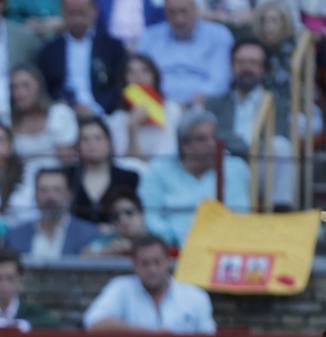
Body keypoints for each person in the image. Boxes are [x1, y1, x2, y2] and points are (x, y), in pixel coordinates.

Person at [138, 108, 250, 247]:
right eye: (202, 139)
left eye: (214, 137)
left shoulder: (235, 168)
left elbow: (240, 216)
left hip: (222, 249)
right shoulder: (158, 170)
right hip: (171, 251)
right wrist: (173, 242)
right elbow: (150, 216)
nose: (212, 144)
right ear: (185, 145)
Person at [205, 39, 294, 211]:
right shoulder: (215, 103)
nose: (246, 68)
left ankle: (281, 211)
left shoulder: (277, 104)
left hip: (260, 168)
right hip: (226, 166)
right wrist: (245, 146)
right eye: (240, 62)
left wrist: (244, 147)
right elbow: (212, 134)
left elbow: (280, 134)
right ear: (232, 66)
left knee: (281, 146)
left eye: (253, 63)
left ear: (264, 69)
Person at [83, 232, 215, 333]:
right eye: (145, 263)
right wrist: (150, 335)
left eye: (157, 262)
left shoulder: (195, 296)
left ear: (168, 261)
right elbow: (93, 323)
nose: (152, 269)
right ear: (134, 265)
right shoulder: (120, 288)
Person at [37, 0, 127, 119]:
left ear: (94, 12)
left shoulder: (112, 47)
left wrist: (97, 109)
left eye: (81, 13)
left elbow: (119, 84)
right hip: (63, 114)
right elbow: (46, 88)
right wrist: (70, 106)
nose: (76, 19)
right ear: (63, 13)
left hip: (105, 113)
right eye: (71, 13)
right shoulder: (50, 50)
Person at [134, 0, 232, 105]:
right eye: (172, 12)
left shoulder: (218, 35)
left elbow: (220, 81)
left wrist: (195, 102)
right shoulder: (149, 37)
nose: (178, 19)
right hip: (156, 104)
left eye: (184, 11)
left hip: (203, 104)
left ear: (196, 10)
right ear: (165, 13)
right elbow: (137, 76)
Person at [3, 167, 101, 257]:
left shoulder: (90, 235)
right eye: (43, 190)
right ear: (35, 195)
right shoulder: (15, 236)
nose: (50, 196)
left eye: (57, 190)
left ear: (69, 195)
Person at [105, 53, 179, 165]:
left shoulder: (172, 110)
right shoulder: (117, 119)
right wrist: (132, 128)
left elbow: (169, 157)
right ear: (124, 79)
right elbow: (126, 165)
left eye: (145, 71)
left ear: (155, 76)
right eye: (131, 72)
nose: (139, 77)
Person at [66, 117, 138, 223]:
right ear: (78, 146)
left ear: (109, 142)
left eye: (98, 138)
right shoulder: (67, 176)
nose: (91, 144)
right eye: (85, 139)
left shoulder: (129, 178)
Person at [8, 64, 77, 167]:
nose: (19, 92)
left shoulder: (59, 113)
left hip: (57, 174)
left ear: (39, 87)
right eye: (14, 87)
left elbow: (68, 160)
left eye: (26, 85)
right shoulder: (8, 120)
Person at [83, 189, 145, 255]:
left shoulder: (152, 238)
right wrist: (106, 252)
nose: (123, 221)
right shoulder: (109, 240)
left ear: (141, 213)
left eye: (129, 212)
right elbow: (86, 254)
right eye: (116, 216)